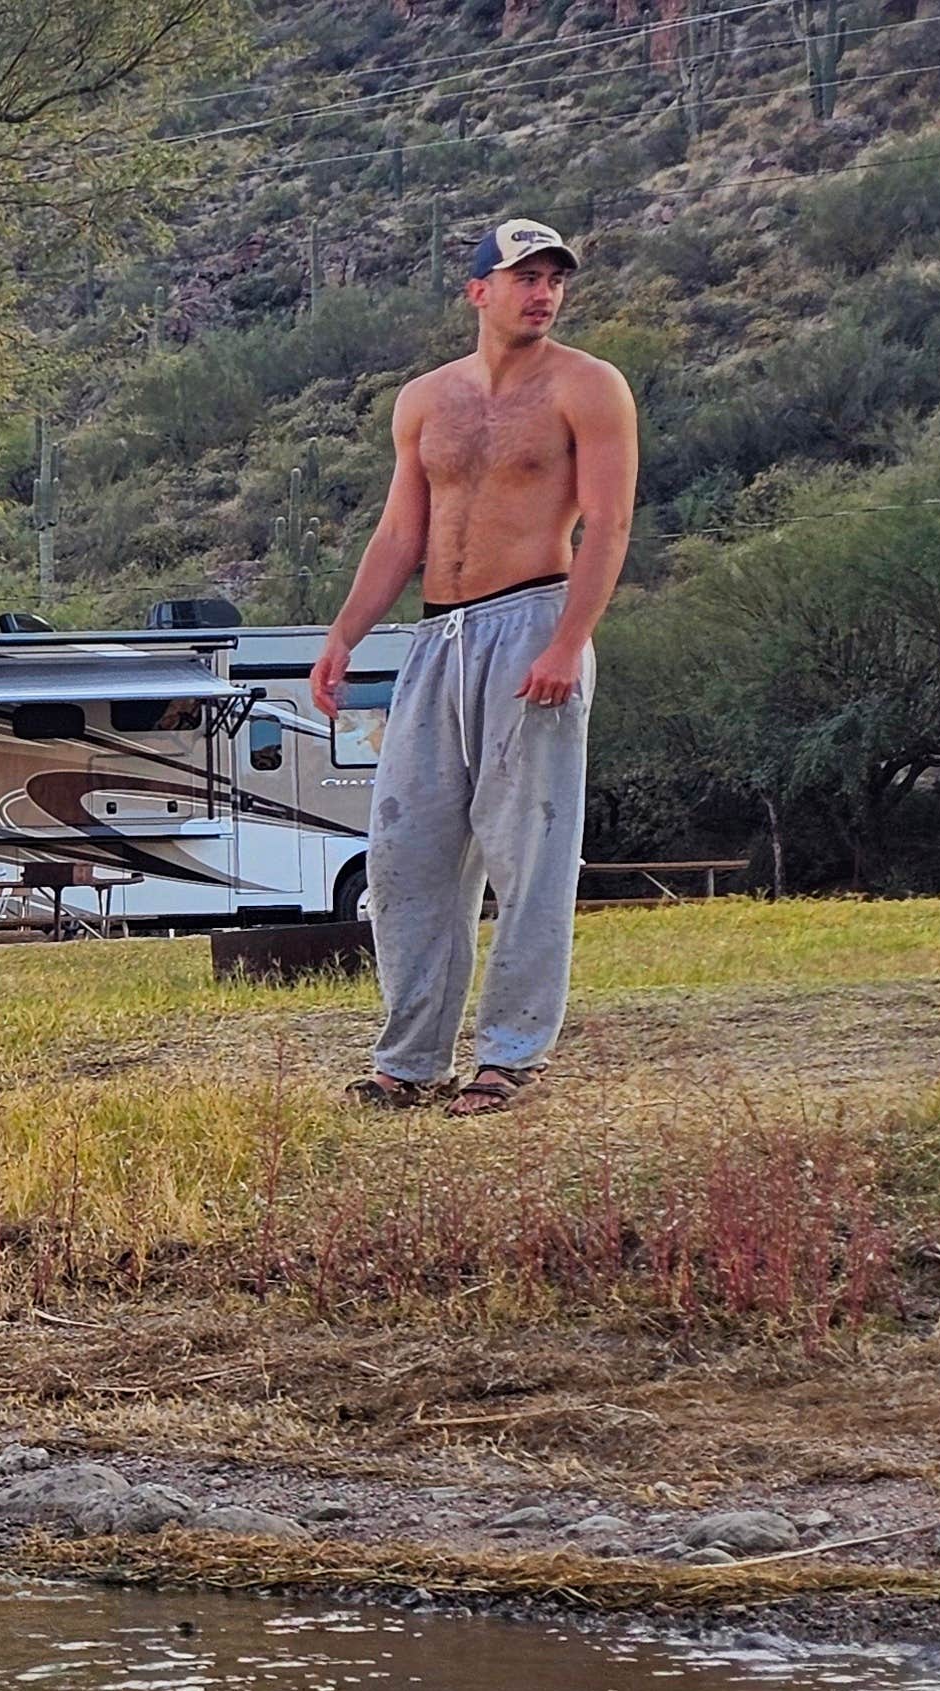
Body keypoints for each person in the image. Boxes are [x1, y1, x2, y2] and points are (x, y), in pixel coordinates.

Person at [310, 218, 640, 1118]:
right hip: (436, 637)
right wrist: (345, 635)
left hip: (534, 615)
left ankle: (509, 1056)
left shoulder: (589, 386)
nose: (542, 292)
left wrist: (569, 641)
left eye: (553, 278)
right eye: (523, 275)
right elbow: (400, 533)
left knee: (528, 849)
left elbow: (608, 524)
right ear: (478, 291)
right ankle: (409, 1061)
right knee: (406, 854)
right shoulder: (424, 398)